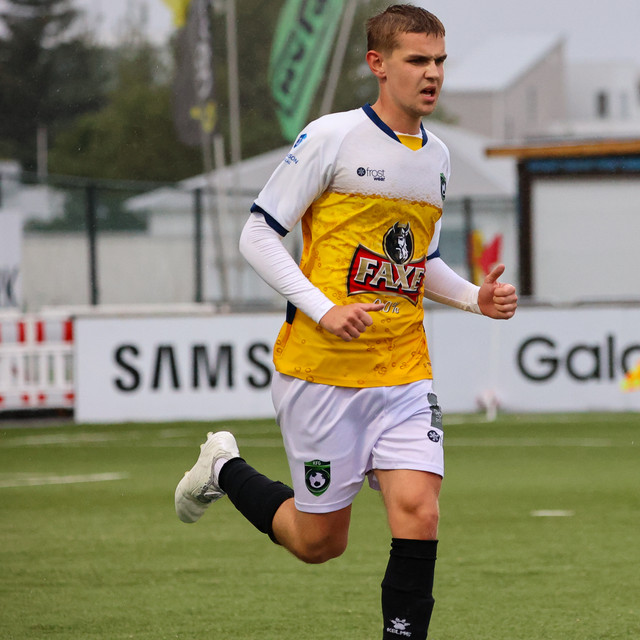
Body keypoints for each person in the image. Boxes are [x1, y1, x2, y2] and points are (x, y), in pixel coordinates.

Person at [175, 4, 518, 639]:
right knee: (318, 543)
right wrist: (324, 308)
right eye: (418, 60)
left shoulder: (439, 157)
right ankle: (223, 467)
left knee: (419, 510)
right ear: (377, 64)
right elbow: (257, 235)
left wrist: (477, 297)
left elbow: (419, 262)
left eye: (440, 61)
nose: (433, 73)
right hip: (321, 373)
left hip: (403, 371)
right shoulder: (331, 137)